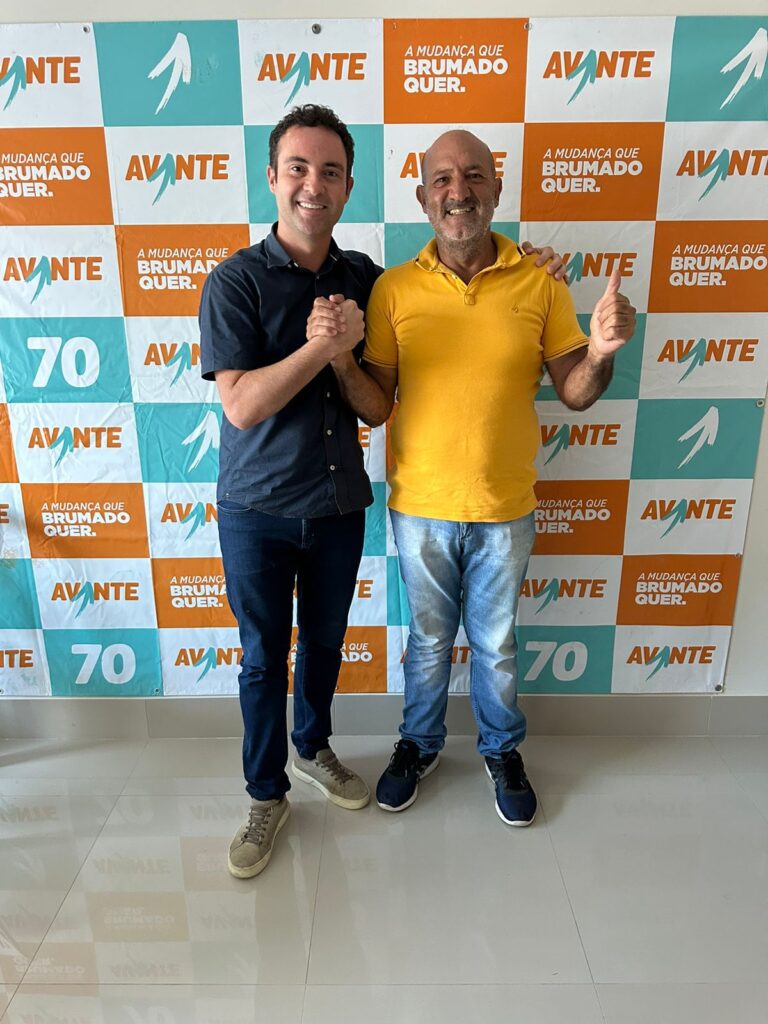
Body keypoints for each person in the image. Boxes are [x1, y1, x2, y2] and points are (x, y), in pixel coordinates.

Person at [201, 106, 568, 878]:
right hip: (256, 507)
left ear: (348, 186)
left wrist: (533, 266)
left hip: (339, 504)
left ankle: (313, 749)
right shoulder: (235, 280)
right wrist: (321, 348)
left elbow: (379, 400)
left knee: (325, 646)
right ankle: (265, 794)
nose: (313, 184)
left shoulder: (368, 279)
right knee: (264, 658)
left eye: (330, 171)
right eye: (298, 168)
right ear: (272, 178)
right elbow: (240, 406)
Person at [307, 129, 636, 828]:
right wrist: (339, 362)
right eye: (443, 179)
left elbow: (576, 392)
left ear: (496, 187)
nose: (459, 191)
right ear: (423, 197)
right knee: (427, 644)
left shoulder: (540, 281)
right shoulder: (394, 288)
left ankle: (502, 750)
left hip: (505, 507)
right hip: (420, 507)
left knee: (496, 646)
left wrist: (603, 351)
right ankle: (418, 745)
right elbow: (377, 406)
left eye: (475, 176)